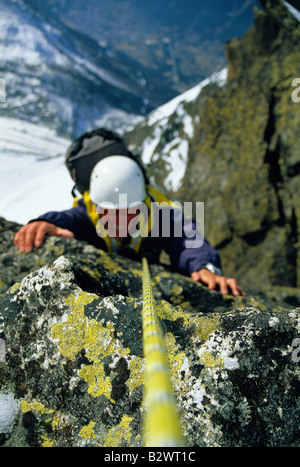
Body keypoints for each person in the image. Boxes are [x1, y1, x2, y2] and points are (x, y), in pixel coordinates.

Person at [14, 156, 245, 296]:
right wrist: (46, 222)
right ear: (96, 208)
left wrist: (205, 267)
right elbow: (69, 217)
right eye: (109, 213)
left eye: (129, 212)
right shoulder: (89, 213)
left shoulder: (159, 214)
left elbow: (187, 236)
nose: (119, 222)